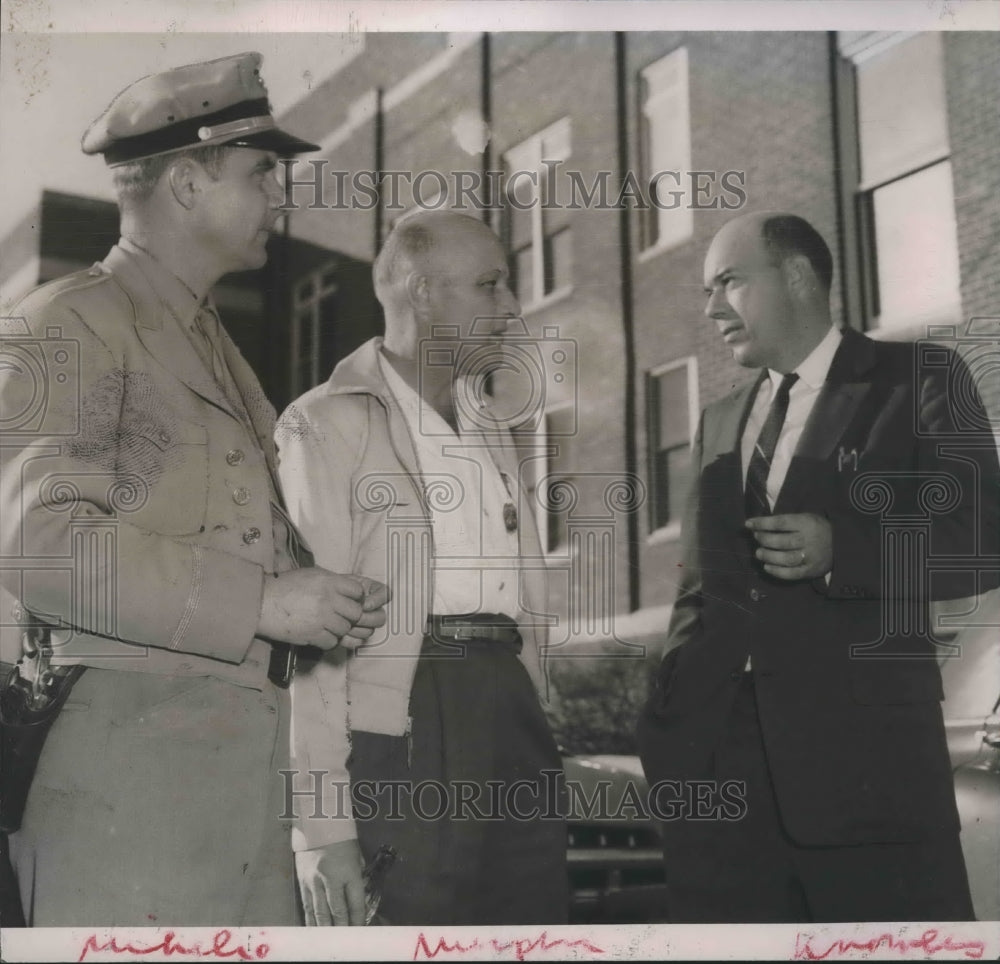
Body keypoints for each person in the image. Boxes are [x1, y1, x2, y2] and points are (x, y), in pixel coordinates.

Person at [0, 52, 388, 926]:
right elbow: (35, 541)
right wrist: (263, 600)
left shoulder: (216, 346)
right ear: (184, 184)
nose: (280, 198)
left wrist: (317, 594)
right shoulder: (67, 320)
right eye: (262, 174)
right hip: (129, 790)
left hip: (247, 789)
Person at [637, 211, 1000, 922]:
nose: (711, 308)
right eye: (708, 290)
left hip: (870, 784)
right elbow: (697, 591)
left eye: (730, 283)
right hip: (722, 793)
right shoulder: (718, 421)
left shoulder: (918, 377)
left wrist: (846, 548)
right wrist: (671, 729)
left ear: (798, 276)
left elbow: (985, 534)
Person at [275, 210, 568, 926]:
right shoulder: (324, 422)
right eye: (490, 285)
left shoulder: (492, 425)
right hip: (402, 725)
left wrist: (533, 709)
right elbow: (308, 643)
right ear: (422, 292)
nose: (510, 307)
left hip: (510, 712)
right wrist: (323, 828)